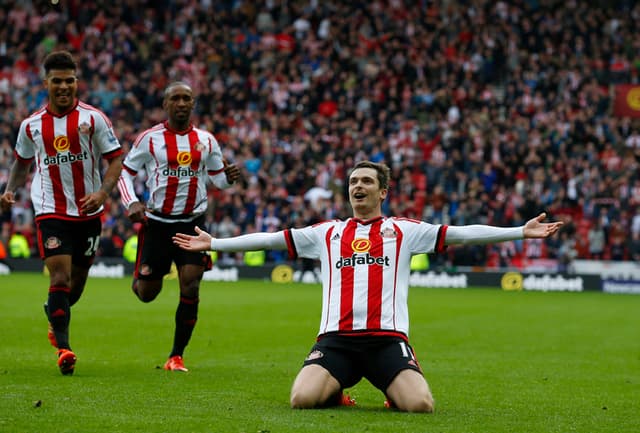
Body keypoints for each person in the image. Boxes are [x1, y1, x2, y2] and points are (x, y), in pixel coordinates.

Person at [173, 161, 563, 412]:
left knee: (421, 406)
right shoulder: (326, 233)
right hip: (336, 341)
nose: (357, 186)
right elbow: (271, 239)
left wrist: (519, 232)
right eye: (353, 182)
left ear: (382, 192)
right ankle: (337, 388)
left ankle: (389, 389)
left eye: (366, 182)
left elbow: (462, 234)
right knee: (300, 400)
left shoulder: (404, 231)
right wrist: (215, 243)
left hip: (386, 341)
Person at [0, 50, 123, 375]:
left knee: (76, 286)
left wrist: (102, 192)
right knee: (59, 277)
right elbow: (21, 163)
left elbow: (115, 159)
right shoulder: (32, 126)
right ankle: (65, 350)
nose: (64, 86)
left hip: (88, 211)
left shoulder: (93, 118)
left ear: (77, 81)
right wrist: (10, 189)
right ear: (46, 83)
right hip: (51, 210)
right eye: (58, 81)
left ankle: (53, 313)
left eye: (70, 80)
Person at [117, 81, 241, 372]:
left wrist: (229, 177)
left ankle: (176, 356)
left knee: (191, 284)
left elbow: (217, 179)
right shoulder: (150, 139)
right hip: (157, 223)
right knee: (147, 294)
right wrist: (131, 203)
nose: (182, 103)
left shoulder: (206, 140)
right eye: (176, 98)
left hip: (192, 224)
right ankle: (141, 275)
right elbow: (125, 172)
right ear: (166, 104)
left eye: (187, 98)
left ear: (193, 104)